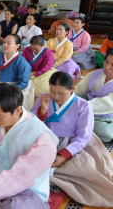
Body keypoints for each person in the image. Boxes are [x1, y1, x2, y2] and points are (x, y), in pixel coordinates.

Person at [32, 72, 113, 207]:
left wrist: (64, 156)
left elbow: (83, 136)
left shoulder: (83, 106)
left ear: (72, 90)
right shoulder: (43, 98)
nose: (56, 96)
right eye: (52, 91)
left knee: (87, 168)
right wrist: (43, 111)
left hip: (73, 143)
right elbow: (33, 124)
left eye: (61, 93)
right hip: (47, 139)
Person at [0, 34, 35, 111]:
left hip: (14, 86)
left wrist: (7, 89)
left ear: (17, 46)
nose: (5, 45)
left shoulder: (22, 62)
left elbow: (23, 83)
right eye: (4, 42)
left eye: (9, 43)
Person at [75, 52, 113, 142]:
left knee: (102, 129)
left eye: (112, 65)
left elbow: (107, 103)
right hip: (86, 107)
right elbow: (79, 89)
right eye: (106, 62)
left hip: (106, 114)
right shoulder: (95, 74)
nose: (107, 67)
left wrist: (81, 107)